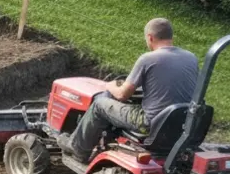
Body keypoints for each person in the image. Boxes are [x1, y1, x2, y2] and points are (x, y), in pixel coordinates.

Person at [60, 18, 199, 160]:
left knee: (99, 104)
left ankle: (78, 148)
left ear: (150, 37)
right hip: (182, 121)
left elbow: (121, 95)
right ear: (171, 37)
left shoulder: (148, 59)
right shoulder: (191, 58)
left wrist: (109, 85)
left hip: (149, 122)